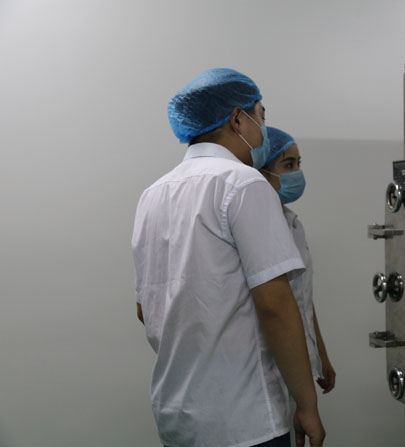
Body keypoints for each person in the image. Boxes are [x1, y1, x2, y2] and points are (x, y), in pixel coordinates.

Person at [131, 68, 325, 447]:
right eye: (261, 117)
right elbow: (275, 305)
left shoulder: (152, 195)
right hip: (243, 419)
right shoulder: (243, 183)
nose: (263, 130)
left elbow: (145, 309)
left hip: (176, 416)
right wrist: (307, 404)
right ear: (238, 119)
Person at [258, 127, 336, 395]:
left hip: (299, 363)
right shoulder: (256, 228)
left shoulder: (292, 223)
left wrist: (320, 355)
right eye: (288, 165)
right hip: (271, 369)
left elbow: (302, 298)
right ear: (261, 172)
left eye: (298, 164)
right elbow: (275, 307)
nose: (297, 173)